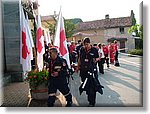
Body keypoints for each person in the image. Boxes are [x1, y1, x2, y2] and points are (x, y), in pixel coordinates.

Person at [77, 37, 101, 106]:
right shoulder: (82, 49)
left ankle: (92, 102)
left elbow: (98, 57)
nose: (86, 46)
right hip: (83, 71)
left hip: (91, 71)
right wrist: (78, 67)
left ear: (90, 43)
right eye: (85, 45)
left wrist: (95, 60)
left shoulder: (94, 50)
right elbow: (79, 58)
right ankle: (89, 97)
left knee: (92, 87)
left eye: (87, 44)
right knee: (86, 86)